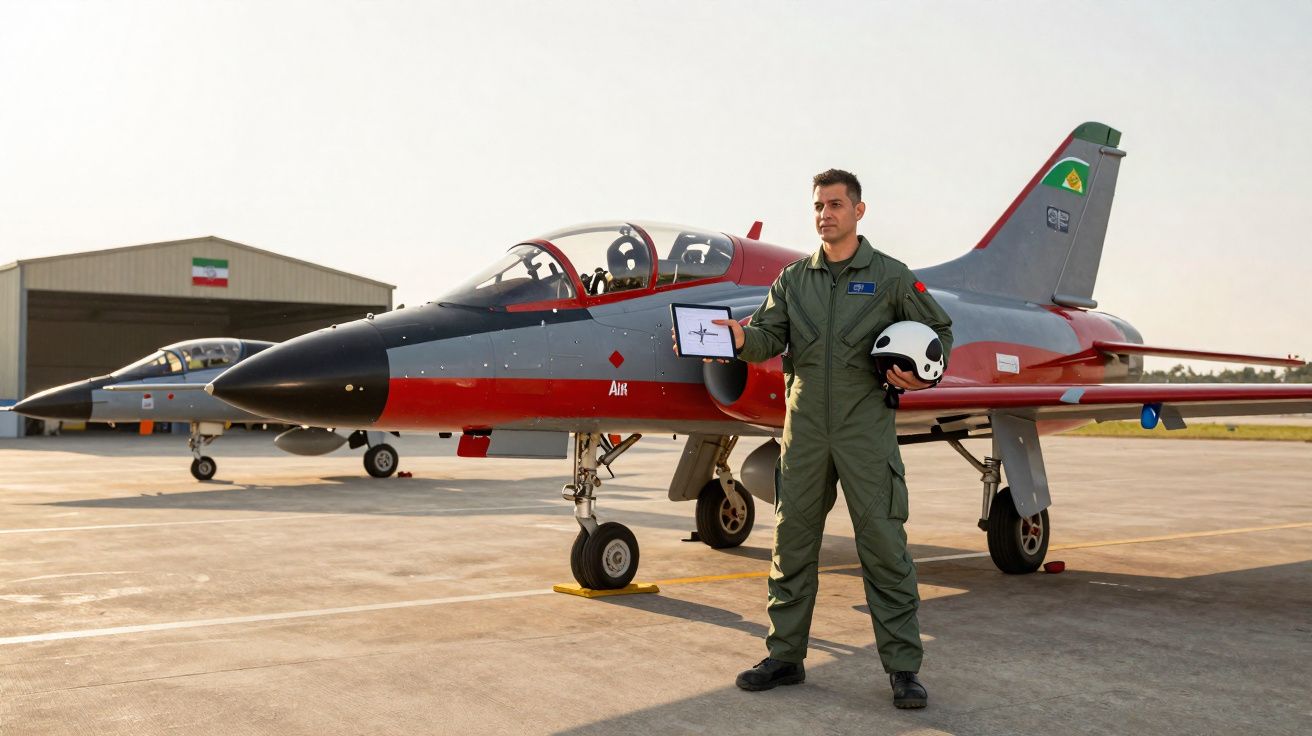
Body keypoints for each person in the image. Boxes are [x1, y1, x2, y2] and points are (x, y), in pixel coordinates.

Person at [715, 169, 953, 708]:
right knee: (791, 544)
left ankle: (903, 669)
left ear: (858, 211)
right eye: (819, 206)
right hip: (803, 430)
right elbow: (767, 337)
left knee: (884, 546)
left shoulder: (891, 277)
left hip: (864, 428)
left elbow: (939, 333)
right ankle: (784, 656)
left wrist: (922, 376)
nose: (826, 214)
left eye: (836, 205)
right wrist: (739, 338)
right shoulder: (794, 279)